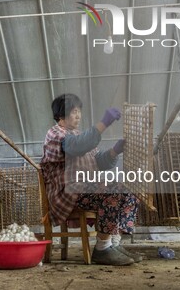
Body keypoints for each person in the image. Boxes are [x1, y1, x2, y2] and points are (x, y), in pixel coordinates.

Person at [40, 93, 141, 266]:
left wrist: (115, 150)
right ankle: (102, 249)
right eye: (73, 111)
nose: (78, 115)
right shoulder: (55, 134)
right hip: (67, 193)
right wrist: (104, 123)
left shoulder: (77, 134)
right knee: (113, 191)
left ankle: (113, 244)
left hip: (85, 189)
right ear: (61, 114)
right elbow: (77, 146)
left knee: (130, 192)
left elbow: (99, 161)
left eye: (79, 111)